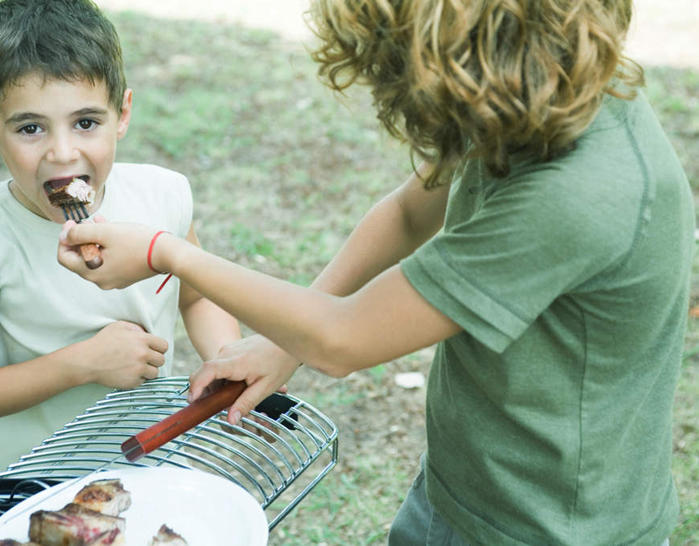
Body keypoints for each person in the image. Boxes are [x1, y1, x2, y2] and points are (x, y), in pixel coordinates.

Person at [57, 0, 693, 543]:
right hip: (467, 489)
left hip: (553, 526)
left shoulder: (576, 193)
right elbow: (410, 213)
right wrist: (282, 343)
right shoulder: (535, 93)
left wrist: (165, 252)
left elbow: (345, 339)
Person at [0, 0, 240, 479]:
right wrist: (82, 364)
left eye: (86, 123)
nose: (62, 153)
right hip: (30, 487)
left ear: (123, 113)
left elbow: (196, 298)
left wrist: (224, 360)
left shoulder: (163, 196)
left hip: (152, 462)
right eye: (30, 128)